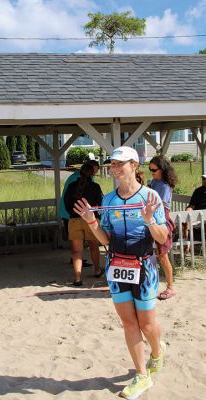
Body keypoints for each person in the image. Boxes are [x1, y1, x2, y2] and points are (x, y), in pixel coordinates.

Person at [73, 146, 168, 399]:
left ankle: (158, 352)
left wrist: (149, 220)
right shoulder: (108, 200)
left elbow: (162, 237)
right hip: (117, 266)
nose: (114, 169)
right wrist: (91, 222)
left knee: (147, 325)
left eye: (120, 164)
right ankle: (141, 375)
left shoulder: (150, 197)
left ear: (134, 166)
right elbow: (105, 238)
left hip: (145, 267)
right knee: (128, 323)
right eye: (112, 164)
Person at [64, 162, 103, 286]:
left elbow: (66, 204)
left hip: (74, 220)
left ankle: (77, 277)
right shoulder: (95, 187)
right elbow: (99, 205)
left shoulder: (71, 186)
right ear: (92, 174)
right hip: (90, 220)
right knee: (94, 247)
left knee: (76, 252)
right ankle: (97, 270)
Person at [59, 160, 99, 267]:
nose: (95, 173)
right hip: (75, 215)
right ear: (90, 169)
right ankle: (95, 268)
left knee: (77, 247)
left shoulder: (76, 178)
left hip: (72, 215)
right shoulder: (79, 179)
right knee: (91, 245)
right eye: (95, 170)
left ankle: (77, 268)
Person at [149, 155, 178, 300]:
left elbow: (159, 204)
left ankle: (170, 287)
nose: (152, 172)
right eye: (150, 169)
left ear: (162, 169)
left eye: (154, 169)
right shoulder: (154, 181)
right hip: (150, 218)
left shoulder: (165, 185)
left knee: (162, 255)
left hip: (160, 219)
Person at [183, 174, 206, 252]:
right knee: (186, 222)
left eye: (205, 179)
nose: (204, 180)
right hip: (197, 216)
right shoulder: (198, 191)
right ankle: (187, 246)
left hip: (204, 217)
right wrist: (187, 212)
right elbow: (192, 205)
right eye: (203, 178)